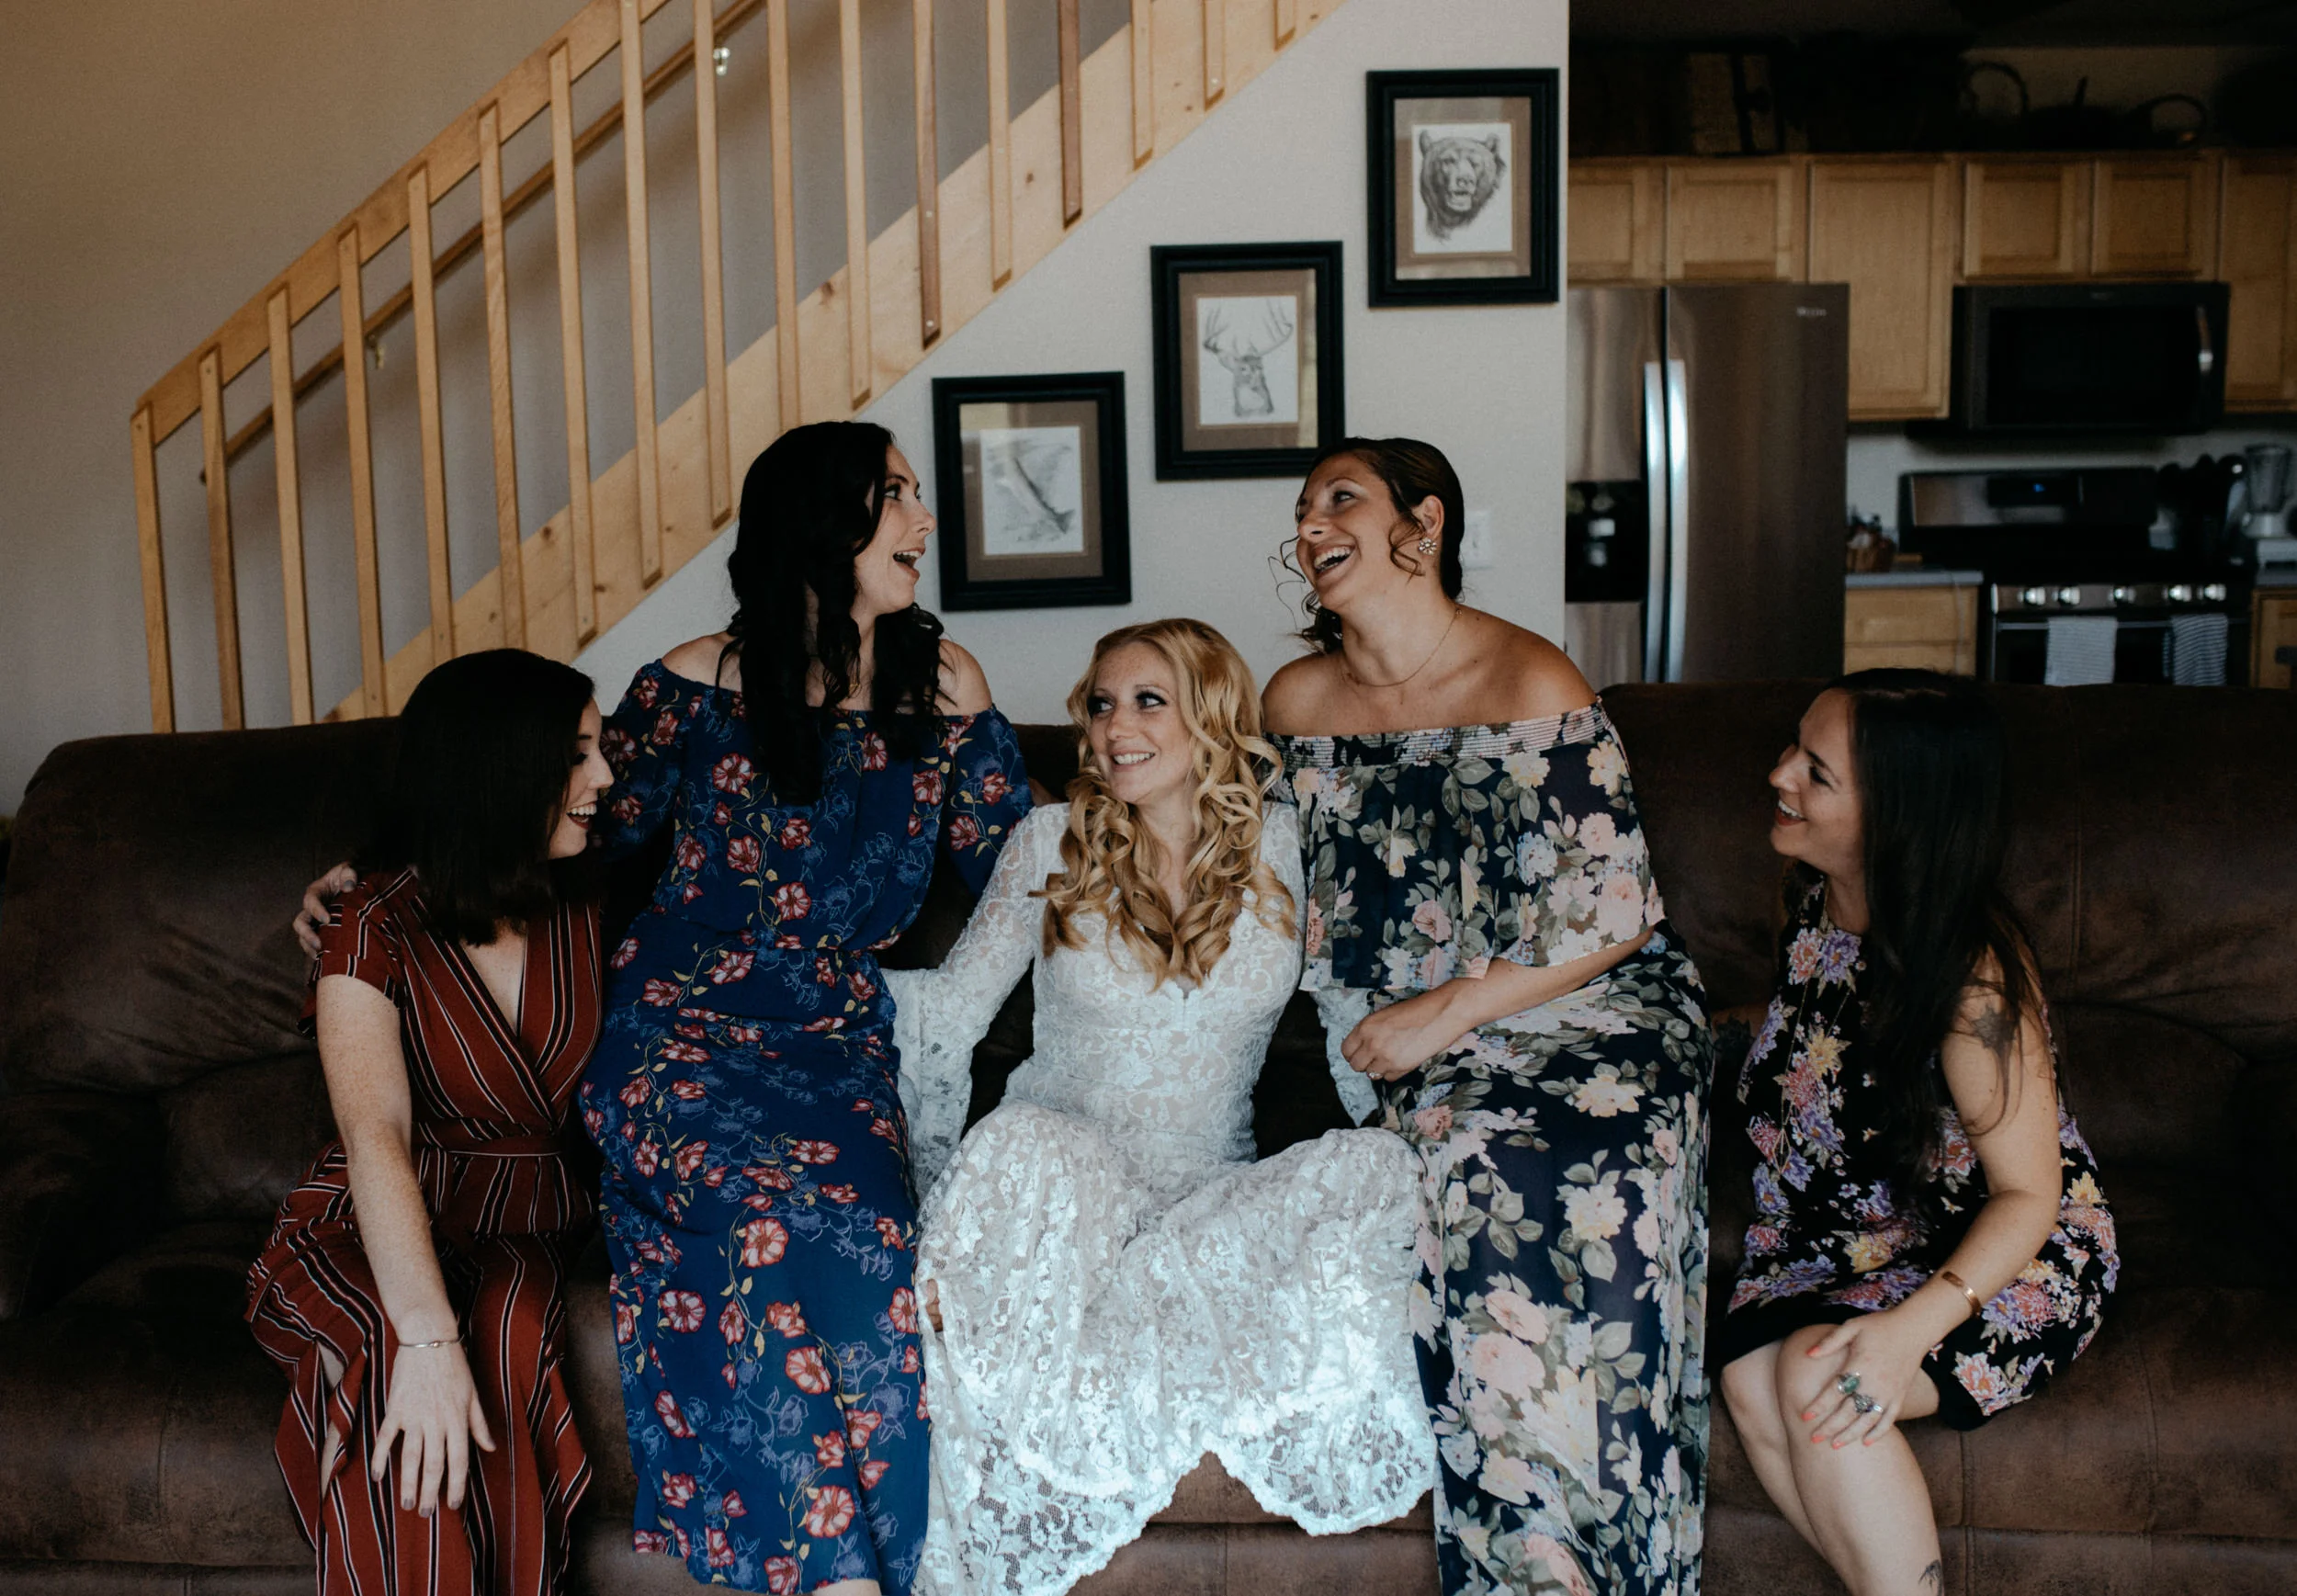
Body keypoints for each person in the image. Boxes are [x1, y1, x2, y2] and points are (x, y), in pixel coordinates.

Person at [884, 618, 1431, 1596]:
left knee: (1378, 1168)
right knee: (1024, 1141)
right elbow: (949, 1014)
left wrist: (1416, 1118)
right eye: (1099, 704)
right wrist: (933, 1202)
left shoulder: (1289, 847)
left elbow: (1361, 1025)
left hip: (1207, 1201)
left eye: (1147, 701)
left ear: (1212, 716)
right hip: (1065, 1193)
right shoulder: (1048, 841)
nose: (1112, 728)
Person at [579, 422, 1034, 1596]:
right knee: (757, 1224)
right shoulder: (690, 684)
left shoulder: (945, 690)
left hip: (833, 1039)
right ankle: (839, 1582)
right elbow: (565, 838)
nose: (924, 525)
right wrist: (381, 878)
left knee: (875, 1250)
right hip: (678, 1031)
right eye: (897, 498)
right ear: (822, 524)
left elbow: (1027, 872)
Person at [1263, 438, 1713, 1596]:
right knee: (1475, 1162)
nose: (1313, 521)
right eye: (1306, 507)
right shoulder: (1297, 702)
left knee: (1606, 1180)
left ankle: (1603, 1563)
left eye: (1342, 498)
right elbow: (1266, 884)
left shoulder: (1533, 681)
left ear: (1425, 524)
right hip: (1412, 1028)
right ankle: (1534, 1562)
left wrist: (1450, 1009)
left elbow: (1614, 915)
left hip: (1590, 1001)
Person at [1715, 672, 2115, 1596]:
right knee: (1747, 1383)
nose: (1779, 775)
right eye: (1792, 747)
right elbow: (1815, 1031)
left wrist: (1907, 1333)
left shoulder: (1972, 980)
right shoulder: (1809, 898)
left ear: (1894, 817)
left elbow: (2028, 1195)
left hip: (2003, 1250)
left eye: (1815, 772)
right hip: (1847, 1238)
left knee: (1823, 1381)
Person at [248, 649, 614, 1596]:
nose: (605, 779)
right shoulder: (370, 921)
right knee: (391, 1350)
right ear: (501, 770)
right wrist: (424, 1338)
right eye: (577, 757)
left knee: (513, 1328)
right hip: (377, 1215)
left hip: (531, 1222)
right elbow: (373, 1133)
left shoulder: (597, 897)